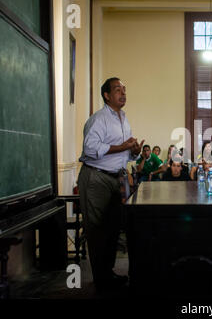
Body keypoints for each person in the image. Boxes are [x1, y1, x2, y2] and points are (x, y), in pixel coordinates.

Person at [77, 77, 143, 291]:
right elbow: (91, 149)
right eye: (117, 90)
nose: (123, 94)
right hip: (96, 177)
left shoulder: (123, 119)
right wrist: (123, 145)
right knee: (97, 230)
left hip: (117, 177)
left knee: (113, 229)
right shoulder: (99, 119)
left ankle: (109, 273)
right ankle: (101, 280)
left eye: (124, 90)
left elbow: (124, 154)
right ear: (106, 95)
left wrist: (133, 151)